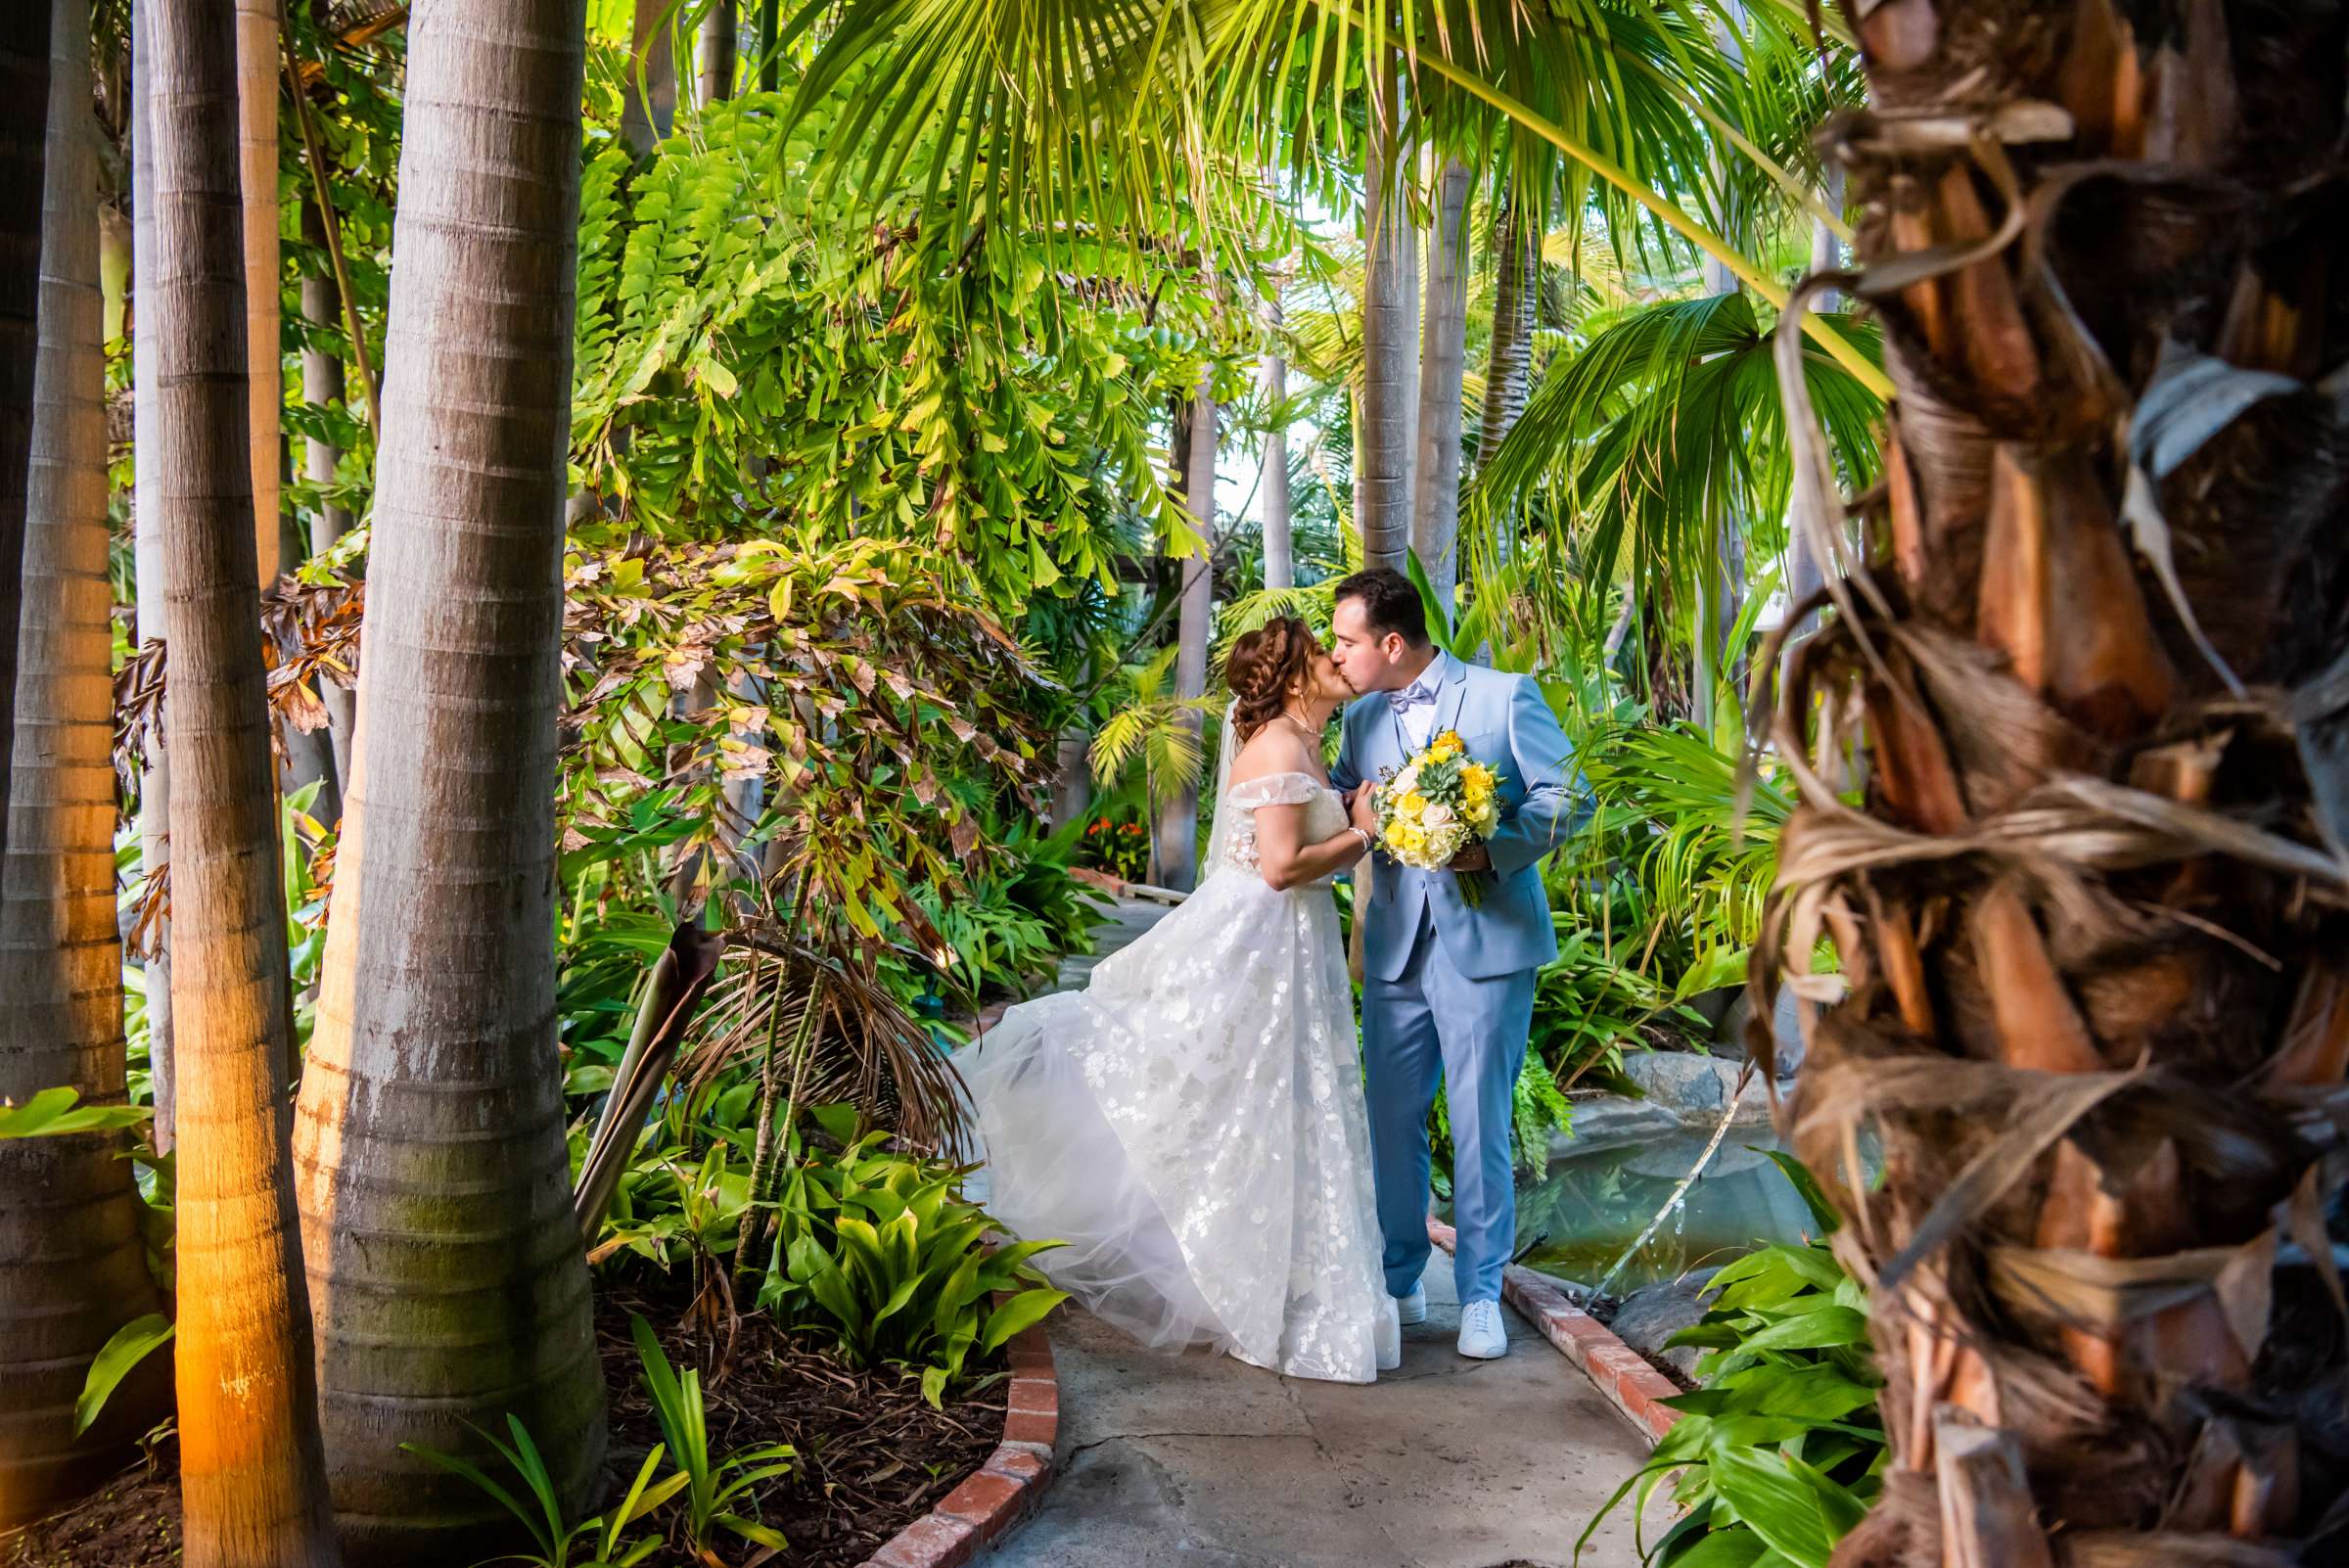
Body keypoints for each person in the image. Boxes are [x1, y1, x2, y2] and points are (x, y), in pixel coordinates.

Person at [953, 617, 1401, 1382]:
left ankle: (1265, 1262)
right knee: (1218, 1096)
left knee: (1260, 1103)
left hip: (1285, 943)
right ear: (1295, 675)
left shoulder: (1302, 740)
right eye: (1322, 653)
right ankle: (1234, 1270)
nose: (1335, 659)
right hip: (1259, 939)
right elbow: (1282, 866)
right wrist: (1365, 832)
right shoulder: (1281, 746)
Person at [1328, 568, 1586, 1360]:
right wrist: (1357, 812)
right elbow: (1341, 797)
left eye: (1347, 641)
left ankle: (1480, 1294)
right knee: (1391, 1120)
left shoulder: (1506, 696)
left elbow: (1567, 795)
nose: (1337, 656)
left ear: (1392, 642)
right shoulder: (1363, 718)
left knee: (1480, 1122)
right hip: (1397, 944)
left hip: (1488, 944)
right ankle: (1400, 1277)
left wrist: (1488, 846)